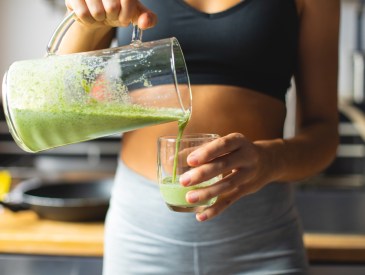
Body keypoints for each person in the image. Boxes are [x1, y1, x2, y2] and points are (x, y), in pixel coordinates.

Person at [60, 0, 340, 274]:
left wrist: (271, 160)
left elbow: (323, 133)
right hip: (141, 237)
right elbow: (59, 104)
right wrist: (88, 26)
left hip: (262, 240)